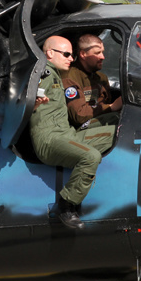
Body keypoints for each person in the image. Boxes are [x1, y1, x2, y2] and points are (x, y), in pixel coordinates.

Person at [30, 35, 115, 230]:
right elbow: (20, 97)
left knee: (120, 131)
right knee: (90, 157)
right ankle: (66, 205)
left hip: (66, 135)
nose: (71, 58)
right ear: (50, 53)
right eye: (67, 54)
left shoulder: (56, 75)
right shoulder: (42, 73)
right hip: (49, 140)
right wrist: (30, 104)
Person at [63, 33, 123, 129]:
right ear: (83, 54)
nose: (102, 57)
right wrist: (112, 107)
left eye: (102, 52)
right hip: (79, 128)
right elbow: (79, 115)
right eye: (97, 53)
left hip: (98, 121)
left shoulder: (101, 78)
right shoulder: (70, 77)